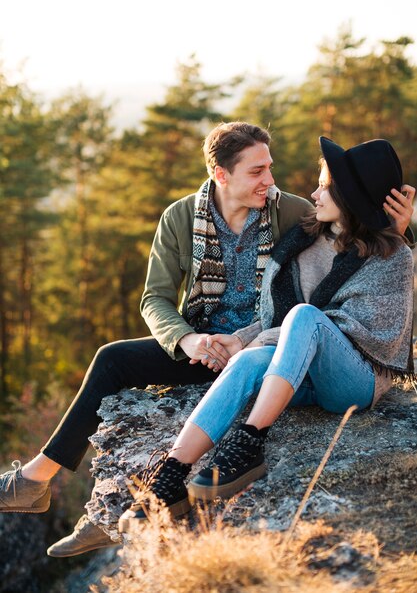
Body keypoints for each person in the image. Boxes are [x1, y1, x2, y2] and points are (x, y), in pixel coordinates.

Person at [0, 123, 413, 557]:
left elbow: (358, 248)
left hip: (270, 343)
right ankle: (40, 481)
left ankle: (109, 513)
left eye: (269, 168)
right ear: (221, 173)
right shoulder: (180, 218)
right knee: (111, 359)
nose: (270, 180)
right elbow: (154, 298)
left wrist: (394, 227)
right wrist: (187, 340)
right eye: (256, 172)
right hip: (210, 344)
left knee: (288, 330)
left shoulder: (290, 213)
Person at [118, 136, 415, 533]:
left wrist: (396, 234)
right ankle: (171, 476)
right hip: (301, 372)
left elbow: (335, 328)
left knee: (305, 316)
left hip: (354, 381)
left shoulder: (394, 256)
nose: (314, 193)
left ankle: (250, 441)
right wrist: (242, 340)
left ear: (353, 197)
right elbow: (279, 318)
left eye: (326, 186)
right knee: (248, 361)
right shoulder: (307, 241)